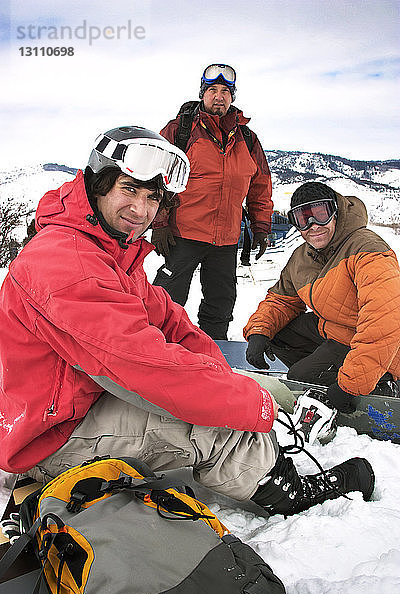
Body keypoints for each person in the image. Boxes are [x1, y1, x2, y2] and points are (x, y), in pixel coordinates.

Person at [0, 130, 374, 518]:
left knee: (212, 395)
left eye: (152, 197)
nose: (140, 210)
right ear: (98, 184)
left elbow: (166, 317)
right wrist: (249, 402)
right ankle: (290, 491)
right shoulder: (68, 263)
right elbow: (146, 364)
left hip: (73, 404)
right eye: (129, 189)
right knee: (212, 423)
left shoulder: (101, 246)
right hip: (51, 438)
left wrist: (217, 371)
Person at [245, 181, 400, 415]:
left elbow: (385, 322)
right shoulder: (303, 255)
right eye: (302, 219)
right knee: (278, 334)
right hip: (334, 331)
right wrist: (259, 331)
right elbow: (281, 299)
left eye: (320, 214)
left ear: (336, 213)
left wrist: (353, 383)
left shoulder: (368, 250)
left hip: (380, 343)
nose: (313, 226)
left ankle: (380, 382)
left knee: (299, 377)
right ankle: (326, 372)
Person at [152, 64, 273, 340]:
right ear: (202, 94)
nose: (219, 96)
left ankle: (212, 354)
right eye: (212, 91)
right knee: (166, 300)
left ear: (232, 97)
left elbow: (260, 185)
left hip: (227, 240)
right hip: (184, 233)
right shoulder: (180, 131)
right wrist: (159, 222)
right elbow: (155, 179)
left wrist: (262, 227)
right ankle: (153, 349)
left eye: (225, 91)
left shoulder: (248, 139)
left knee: (220, 304)